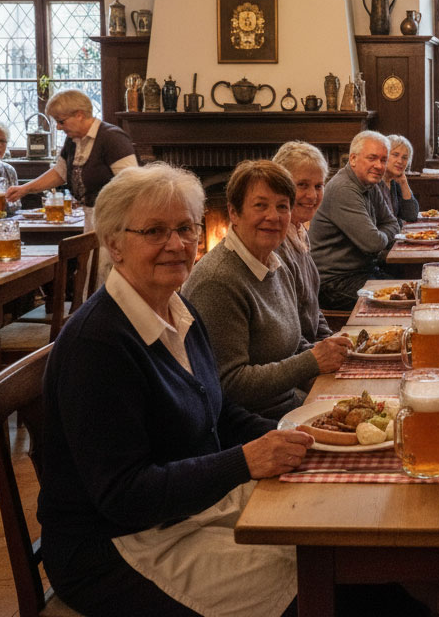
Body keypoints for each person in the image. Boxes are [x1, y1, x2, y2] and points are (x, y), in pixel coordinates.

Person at [38, 162, 313, 617]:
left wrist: (297, 436)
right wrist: (245, 461)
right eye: (154, 231)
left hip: (184, 510)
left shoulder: (178, 308)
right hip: (115, 548)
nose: (176, 245)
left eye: (186, 228)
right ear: (114, 243)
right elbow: (125, 495)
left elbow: (218, 410)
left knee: (320, 533)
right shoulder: (99, 344)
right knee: (303, 579)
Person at [184, 160, 350, 419]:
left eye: (282, 206)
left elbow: (292, 347)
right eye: (260, 205)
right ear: (234, 213)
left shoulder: (275, 263)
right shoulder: (217, 281)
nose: (273, 216)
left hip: (292, 404)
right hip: (256, 427)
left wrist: (331, 351)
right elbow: (230, 384)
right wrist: (312, 361)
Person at [6, 88, 137, 229]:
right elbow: (60, 173)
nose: (58, 127)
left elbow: (131, 182)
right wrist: (24, 189)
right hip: (92, 217)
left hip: (115, 219)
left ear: (79, 115)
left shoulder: (112, 138)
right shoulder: (73, 140)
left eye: (61, 121)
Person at [309, 130, 401, 311]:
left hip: (362, 273)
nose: (379, 166)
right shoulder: (344, 189)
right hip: (333, 284)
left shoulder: (369, 183)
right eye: (372, 158)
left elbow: (393, 223)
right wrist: (381, 236)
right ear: (352, 159)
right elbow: (373, 243)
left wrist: (379, 235)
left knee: (412, 290)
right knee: (401, 302)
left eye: (383, 160)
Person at [272, 140, 335, 342]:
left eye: (318, 186)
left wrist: (329, 340)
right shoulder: (273, 242)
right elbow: (285, 332)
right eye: (302, 185)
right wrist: (320, 354)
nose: (312, 195)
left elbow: (312, 307)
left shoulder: (299, 230)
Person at [382, 134, 420, 223]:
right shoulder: (374, 182)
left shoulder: (394, 182)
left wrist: (403, 183)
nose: (400, 161)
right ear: (384, 156)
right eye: (395, 155)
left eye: (404, 158)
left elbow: (411, 215)